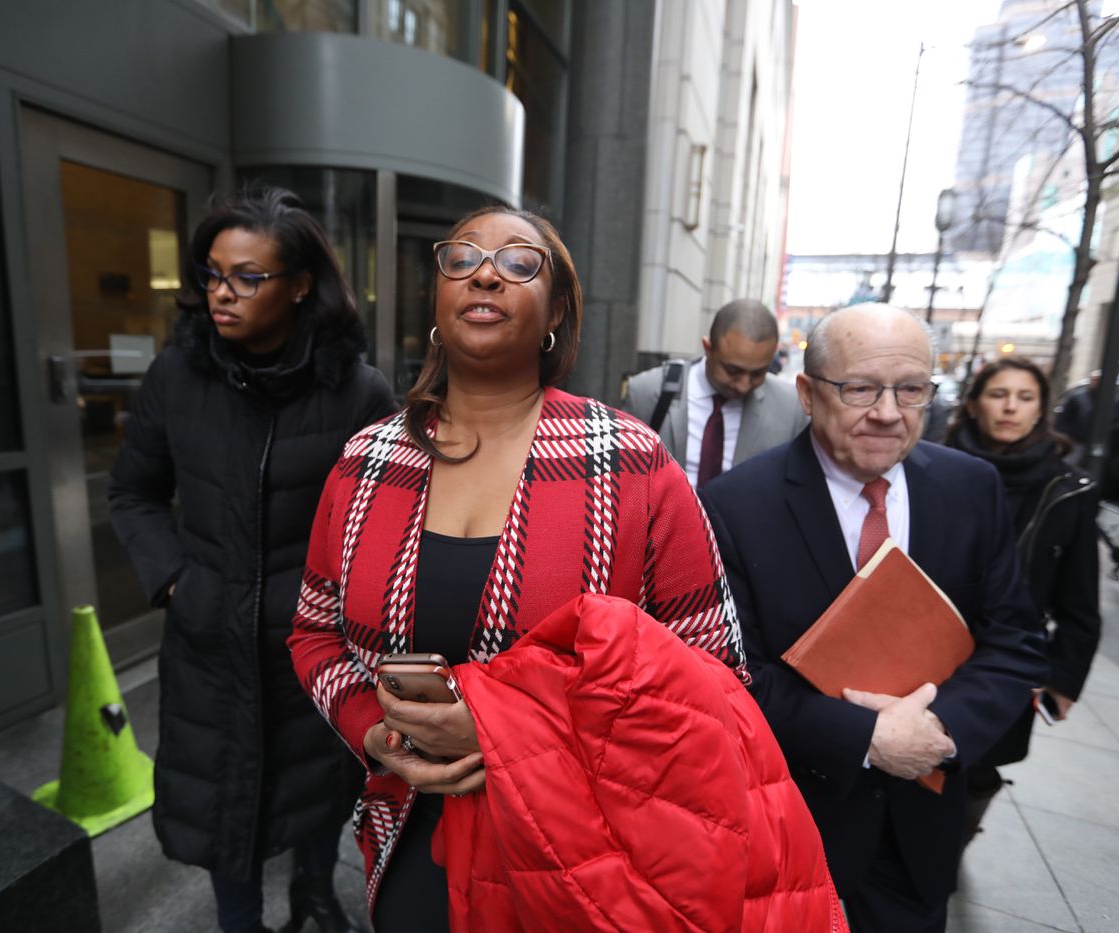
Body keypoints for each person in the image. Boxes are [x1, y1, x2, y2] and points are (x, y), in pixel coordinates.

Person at [288, 206, 844, 931]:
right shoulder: (365, 462)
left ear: (556, 313)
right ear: (437, 299)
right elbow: (313, 631)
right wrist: (372, 730)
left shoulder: (630, 460)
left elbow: (713, 682)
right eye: (461, 259)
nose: (485, 272)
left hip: (587, 853)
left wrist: (507, 733)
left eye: (520, 263)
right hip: (408, 831)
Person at [701, 303, 1047, 933]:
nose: (888, 412)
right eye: (859, 387)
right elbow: (728, 676)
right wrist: (866, 740)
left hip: (921, 837)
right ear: (807, 393)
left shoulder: (971, 488)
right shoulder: (734, 506)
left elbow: (1015, 642)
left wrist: (938, 731)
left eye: (911, 388)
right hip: (790, 832)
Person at [109, 188, 394, 933]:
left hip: (314, 643)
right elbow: (134, 493)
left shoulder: (358, 393)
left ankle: (315, 890)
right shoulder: (178, 375)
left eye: (246, 277)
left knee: (319, 781)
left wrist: (339, 611)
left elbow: (383, 524)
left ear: (300, 285)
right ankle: (239, 923)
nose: (220, 294)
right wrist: (177, 580)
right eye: (211, 275)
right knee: (222, 794)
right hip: (210, 635)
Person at [945, 357, 1100, 842]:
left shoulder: (1067, 490)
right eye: (997, 394)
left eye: (1026, 397)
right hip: (932, 640)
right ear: (972, 405)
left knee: (978, 763)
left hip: (1011, 656)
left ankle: (956, 839)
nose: (1011, 407)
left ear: (1041, 411)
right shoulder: (934, 468)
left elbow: (1080, 599)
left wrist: (1064, 677)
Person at [621, 299, 808, 488]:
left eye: (758, 373)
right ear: (708, 349)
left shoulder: (791, 408)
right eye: (732, 370)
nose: (743, 385)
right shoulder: (645, 392)